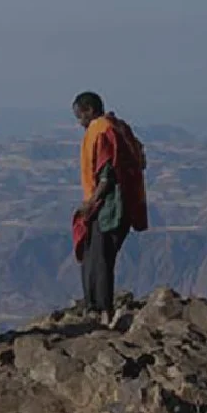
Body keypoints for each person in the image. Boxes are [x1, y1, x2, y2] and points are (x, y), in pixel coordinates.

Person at [69, 92, 149, 322]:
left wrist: (91, 203)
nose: (80, 123)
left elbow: (107, 175)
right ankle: (95, 304)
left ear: (89, 110)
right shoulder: (119, 127)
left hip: (110, 206)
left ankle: (100, 308)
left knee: (99, 257)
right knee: (96, 254)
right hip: (121, 204)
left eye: (80, 116)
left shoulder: (102, 131)